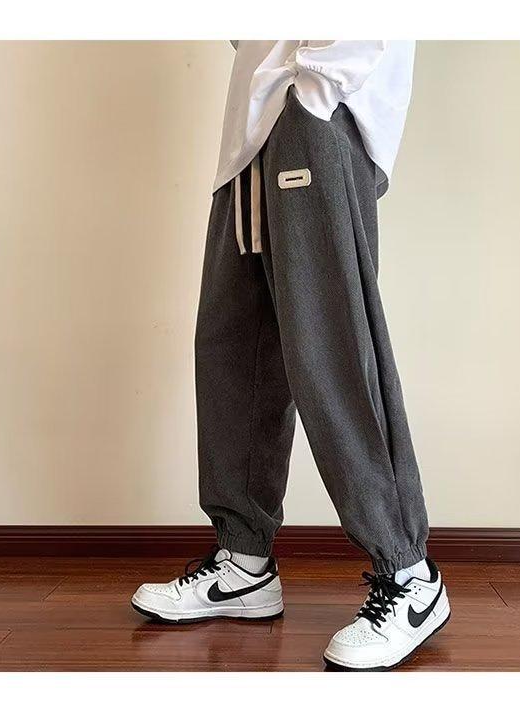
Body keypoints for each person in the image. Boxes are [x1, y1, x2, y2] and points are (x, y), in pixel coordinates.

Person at [132, 40, 450, 671]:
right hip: (252, 124)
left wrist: (313, 92)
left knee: (332, 353)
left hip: (316, 111)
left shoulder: (315, 98)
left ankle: (409, 574)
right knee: (232, 346)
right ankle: (244, 561)